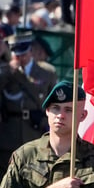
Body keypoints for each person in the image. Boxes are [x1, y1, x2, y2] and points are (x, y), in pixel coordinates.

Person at [0, 34, 57, 179]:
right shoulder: (5, 72)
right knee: (5, 176)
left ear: (30, 51)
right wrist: (7, 72)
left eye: (24, 54)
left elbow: (54, 102)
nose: (21, 58)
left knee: (32, 175)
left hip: (34, 130)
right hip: (9, 132)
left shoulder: (47, 73)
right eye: (17, 55)